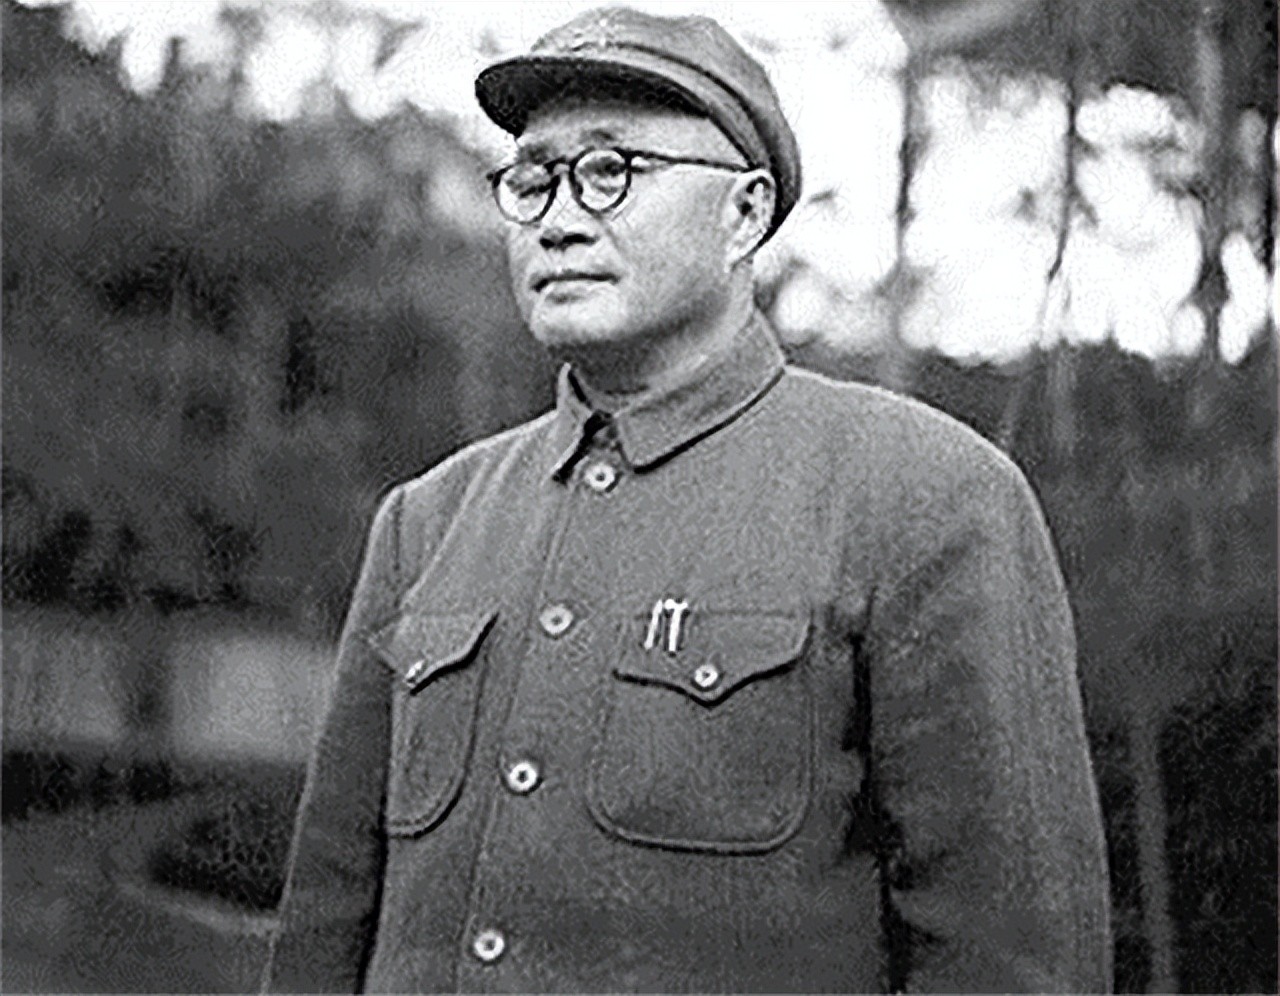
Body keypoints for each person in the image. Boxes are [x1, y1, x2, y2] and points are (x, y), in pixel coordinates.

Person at [262, 7, 1111, 993]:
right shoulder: (426, 522)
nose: (559, 220)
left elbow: (1010, 960)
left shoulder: (926, 499)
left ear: (744, 213)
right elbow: (321, 937)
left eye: (612, 170)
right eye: (532, 180)